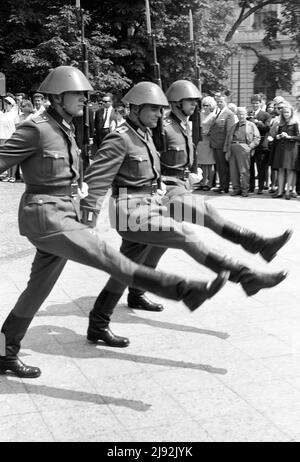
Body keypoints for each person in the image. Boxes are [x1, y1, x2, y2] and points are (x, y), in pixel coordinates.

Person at [0, 67, 225, 379]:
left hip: (63, 210)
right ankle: (181, 289)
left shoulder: (63, 126)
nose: (84, 99)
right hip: (45, 214)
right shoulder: (35, 128)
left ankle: (4, 350)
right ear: (56, 96)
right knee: (107, 256)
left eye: (85, 94)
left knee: (38, 288)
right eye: (77, 94)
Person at [81, 80, 290, 348]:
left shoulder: (143, 134)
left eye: (161, 110)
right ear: (134, 109)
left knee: (126, 268)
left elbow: (153, 173)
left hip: (148, 204)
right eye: (153, 110)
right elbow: (96, 180)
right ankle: (244, 276)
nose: (159, 115)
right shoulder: (119, 137)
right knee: (183, 234)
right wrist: (87, 221)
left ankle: (98, 323)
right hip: (128, 210)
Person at [224, 107, 260, 197]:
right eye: (239, 114)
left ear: (246, 115)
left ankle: (245, 189)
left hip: (244, 147)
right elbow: (228, 138)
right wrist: (227, 151)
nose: (241, 116)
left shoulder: (251, 125)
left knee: (244, 170)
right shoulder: (234, 126)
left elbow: (257, 138)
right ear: (237, 115)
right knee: (233, 170)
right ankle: (236, 189)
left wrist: (250, 147)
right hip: (233, 148)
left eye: (243, 114)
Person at [270, 104, 300, 199]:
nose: (286, 114)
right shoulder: (280, 123)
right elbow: (276, 135)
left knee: (290, 170)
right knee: (281, 170)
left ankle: (288, 192)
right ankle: (279, 191)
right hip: (281, 148)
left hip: (291, 149)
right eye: (284, 112)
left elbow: (298, 137)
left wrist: (289, 137)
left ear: (291, 113)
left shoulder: (295, 123)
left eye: (287, 112)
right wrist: (278, 137)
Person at [209, 93, 236, 193]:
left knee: (224, 167)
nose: (219, 103)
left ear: (226, 102)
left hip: (222, 145)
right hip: (215, 144)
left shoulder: (229, 114)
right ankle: (221, 185)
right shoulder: (218, 112)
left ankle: (224, 186)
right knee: (219, 167)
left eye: (221, 101)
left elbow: (229, 133)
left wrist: (227, 147)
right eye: (218, 101)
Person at [248, 94, 271, 194]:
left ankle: (261, 187)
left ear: (260, 103)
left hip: (261, 144)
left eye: (257, 103)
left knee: (261, 167)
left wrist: (258, 122)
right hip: (250, 144)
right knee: (250, 167)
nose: (255, 105)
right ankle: (251, 187)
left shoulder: (266, 115)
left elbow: (267, 128)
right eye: (253, 103)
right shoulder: (248, 113)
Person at [196, 96, 217, 191]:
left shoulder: (213, 116)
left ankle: (209, 183)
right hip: (200, 140)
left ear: (211, 106)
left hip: (209, 140)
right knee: (202, 164)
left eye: (207, 105)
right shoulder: (200, 114)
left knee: (210, 164)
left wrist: (210, 133)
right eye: (204, 105)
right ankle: (203, 182)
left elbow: (216, 129)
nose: (205, 107)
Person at [0, 96, 19, 182]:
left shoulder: (14, 114)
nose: (6, 104)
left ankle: (13, 176)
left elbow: (17, 126)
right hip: (2, 137)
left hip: (11, 137)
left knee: (12, 157)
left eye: (8, 103)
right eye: (5, 103)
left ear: (12, 105)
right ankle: (8, 175)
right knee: (5, 157)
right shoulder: (2, 113)